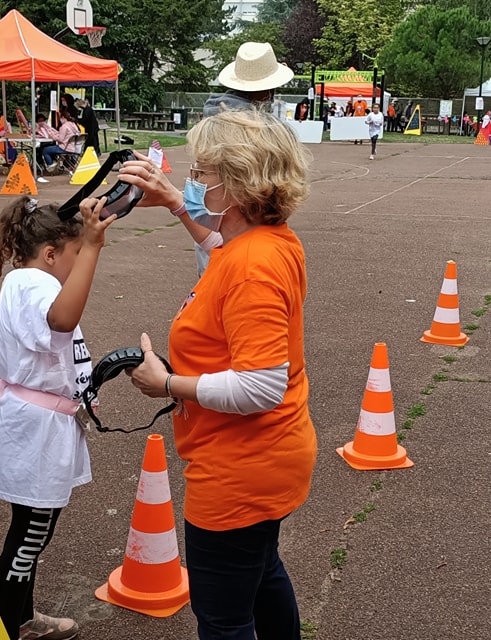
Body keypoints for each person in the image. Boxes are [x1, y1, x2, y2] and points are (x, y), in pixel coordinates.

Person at [117, 108, 317, 640]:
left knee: (223, 616)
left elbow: (260, 386)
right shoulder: (268, 242)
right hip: (266, 459)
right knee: (261, 573)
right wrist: (180, 206)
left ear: (235, 183)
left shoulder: (254, 264)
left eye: (202, 172)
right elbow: (219, 254)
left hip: (238, 469)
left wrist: (164, 384)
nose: (194, 178)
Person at [0, 196, 115, 640]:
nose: (78, 265)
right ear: (50, 253)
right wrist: (94, 247)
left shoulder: (27, 283)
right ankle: (6, 629)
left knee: (31, 535)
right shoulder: (33, 283)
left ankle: (21, 622)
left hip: (40, 428)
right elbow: (62, 321)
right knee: (27, 539)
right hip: (36, 433)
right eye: (75, 255)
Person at [203, 42, 294, 117]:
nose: (271, 97)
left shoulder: (212, 114)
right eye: (272, 88)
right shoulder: (252, 126)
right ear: (264, 89)